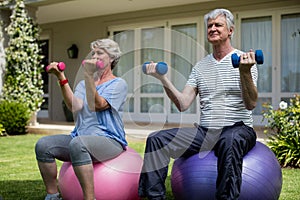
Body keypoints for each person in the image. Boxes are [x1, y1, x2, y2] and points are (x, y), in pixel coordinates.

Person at [138, 8, 258, 200]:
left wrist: (244, 72)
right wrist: (163, 79)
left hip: (237, 128)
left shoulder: (245, 60)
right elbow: (183, 103)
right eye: (209, 26)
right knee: (157, 139)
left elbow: (251, 104)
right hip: (206, 131)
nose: (212, 28)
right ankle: (154, 197)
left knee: (230, 141)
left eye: (218, 25)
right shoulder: (200, 66)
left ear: (231, 31)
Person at [35, 38, 128, 200]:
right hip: (78, 138)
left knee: (79, 144)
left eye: (100, 53)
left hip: (110, 140)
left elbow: (97, 105)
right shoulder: (85, 83)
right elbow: (74, 106)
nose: (95, 56)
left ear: (112, 58)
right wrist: (60, 76)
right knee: (43, 145)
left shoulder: (118, 84)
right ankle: (53, 195)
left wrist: (88, 75)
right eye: (93, 53)